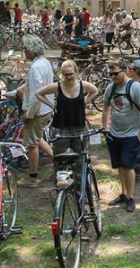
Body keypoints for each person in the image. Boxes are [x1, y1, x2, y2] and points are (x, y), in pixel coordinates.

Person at [36, 60, 98, 191]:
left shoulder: (82, 85)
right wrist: (52, 106)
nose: (69, 77)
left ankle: (81, 193)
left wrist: (86, 101)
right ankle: (62, 193)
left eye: (71, 74)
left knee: (81, 163)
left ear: (76, 72)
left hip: (80, 129)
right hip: (60, 130)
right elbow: (39, 93)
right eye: (65, 74)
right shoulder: (57, 86)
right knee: (60, 163)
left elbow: (95, 90)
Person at [3, 35, 54, 186]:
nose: (24, 51)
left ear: (32, 49)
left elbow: (37, 93)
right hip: (45, 108)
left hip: (37, 111)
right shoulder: (45, 62)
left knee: (31, 144)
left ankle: (33, 178)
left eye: (25, 48)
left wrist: (29, 113)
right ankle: (57, 160)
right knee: (37, 138)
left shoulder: (35, 67)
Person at [102, 59, 140, 213]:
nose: (113, 77)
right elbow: (105, 108)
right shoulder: (111, 88)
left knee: (129, 166)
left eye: (116, 73)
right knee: (120, 166)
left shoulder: (135, 87)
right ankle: (123, 193)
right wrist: (105, 128)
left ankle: (130, 197)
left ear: (125, 70)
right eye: (111, 74)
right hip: (114, 133)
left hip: (131, 134)